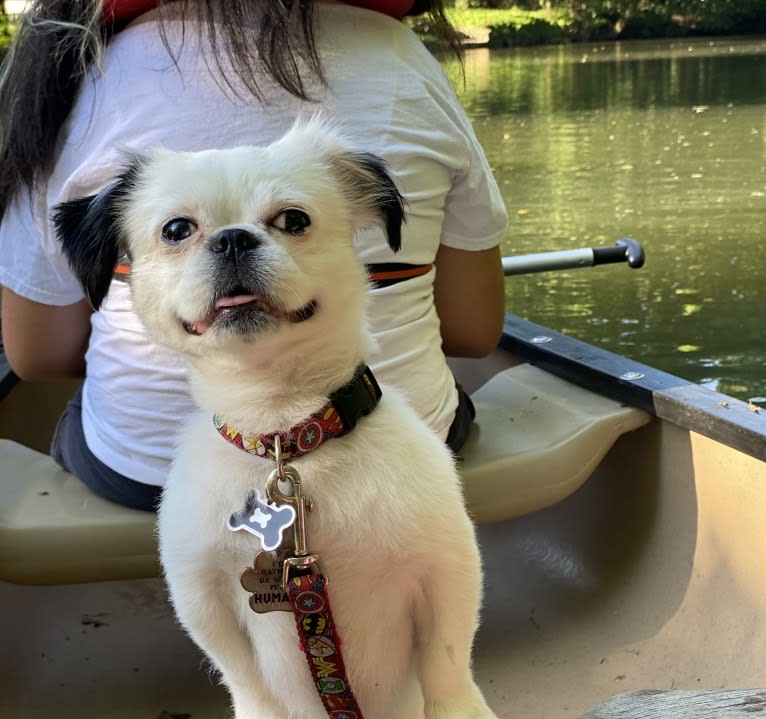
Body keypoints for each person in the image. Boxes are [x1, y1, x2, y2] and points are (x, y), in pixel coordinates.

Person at [0, 0, 508, 510]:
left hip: (141, 471)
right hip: (405, 449)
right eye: (179, 231)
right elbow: (473, 330)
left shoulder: (72, 83)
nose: (233, 247)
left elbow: (38, 354)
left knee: (76, 419)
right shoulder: (407, 62)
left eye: (291, 222)